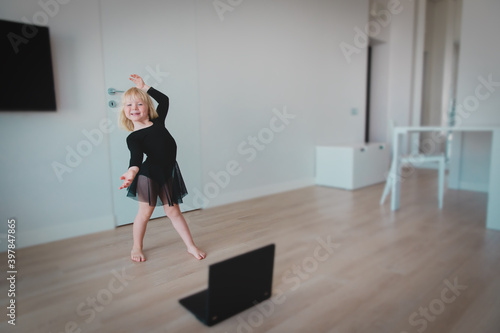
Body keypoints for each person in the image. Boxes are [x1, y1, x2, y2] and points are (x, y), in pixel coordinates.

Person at [118, 74, 206, 262]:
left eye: (139, 104)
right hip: (148, 175)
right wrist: (131, 172)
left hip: (168, 172)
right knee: (144, 214)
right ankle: (136, 247)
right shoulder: (133, 138)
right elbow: (136, 159)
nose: (134, 108)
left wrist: (144, 87)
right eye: (129, 105)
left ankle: (191, 246)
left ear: (147, 107)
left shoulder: (158, 122)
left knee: (174, 212)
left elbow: (164, 100)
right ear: (124, 111)